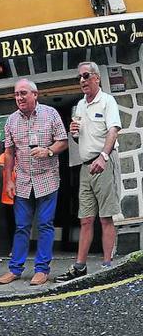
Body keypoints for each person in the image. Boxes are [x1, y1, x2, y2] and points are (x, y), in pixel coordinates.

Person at [0, 79, 68, 286]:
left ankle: (42, 270)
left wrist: (49, 151)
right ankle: (15, 269)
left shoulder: (51, 114)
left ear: (35, 95)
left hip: (47, 178)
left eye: (23, 93)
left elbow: (63, 141)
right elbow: (9, 153)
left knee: (45, 225)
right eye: (17, 94)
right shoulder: (11, 120)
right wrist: (9, 180)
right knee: (21, 226)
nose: (19, 98)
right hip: (23, 180)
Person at [56, 61, 122, 282]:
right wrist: (73, 133)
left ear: (97, 78)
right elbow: (78, 137)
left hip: (103, 161)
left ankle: (107, 265)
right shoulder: (80, 105)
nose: (82, 80)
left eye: (86, 76)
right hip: (85, 166)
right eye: (80, 77)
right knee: (85, 219)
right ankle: (80, 266)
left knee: (105, 218)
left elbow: (113, 131)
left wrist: (104, 156)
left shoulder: (108, 101)